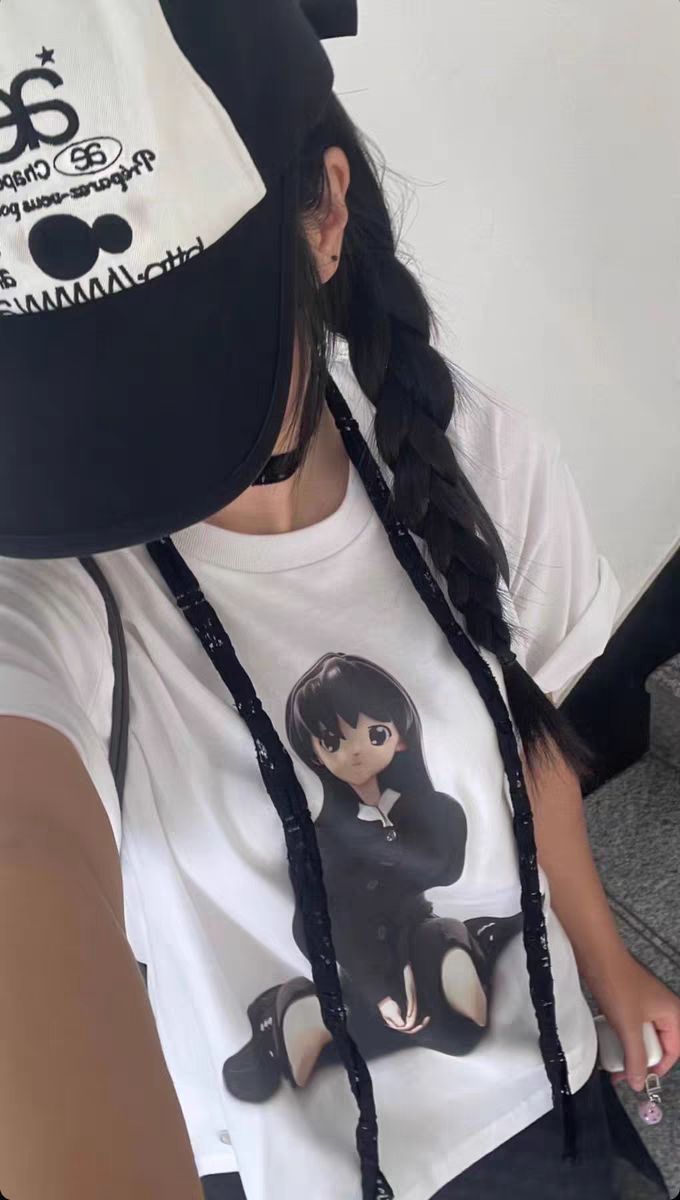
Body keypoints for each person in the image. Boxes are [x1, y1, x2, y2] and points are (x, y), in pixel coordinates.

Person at [0, 4, 678, 1200]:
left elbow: (525, 746)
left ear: (324, 212)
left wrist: (600, 954)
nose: (122, 436)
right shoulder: (48, 578)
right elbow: (27, 849)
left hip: (539, 1096)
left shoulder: (467, 449)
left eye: (170, 347)